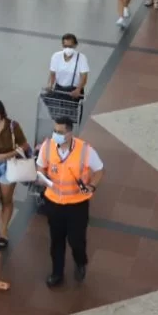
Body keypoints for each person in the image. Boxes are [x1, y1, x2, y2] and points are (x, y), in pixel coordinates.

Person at [36, 115, 103, 285]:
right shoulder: (47, 146)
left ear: (70, 133)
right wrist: (42, 177)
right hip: (54, 203)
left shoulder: (85, 150)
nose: (56, 135)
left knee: (76, 240)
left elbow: (99, 169)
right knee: (56, 240)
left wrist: (92, 186)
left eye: (60, 132)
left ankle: (80, 261)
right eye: (54, 131)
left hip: (77, 204)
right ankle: (57, 273)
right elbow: (40, 166)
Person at [0, 98, 30, 231]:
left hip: (8, 166)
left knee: (6, 200)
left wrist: (6, 155)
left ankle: (3, 229)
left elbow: (24, 146)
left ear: (0, 114)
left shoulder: (12, 126)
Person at [46, 33, 90, 101]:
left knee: (71, 107)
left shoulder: (81, 58)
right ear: (62, 45)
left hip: (74, 91)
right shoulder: (56, 56)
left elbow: (84, 77)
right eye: (65, 46)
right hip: (59, 89)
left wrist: (78, 89)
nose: (68, 49)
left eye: (70, 46)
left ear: (75, 45)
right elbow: (52, 73)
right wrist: (50, 85)